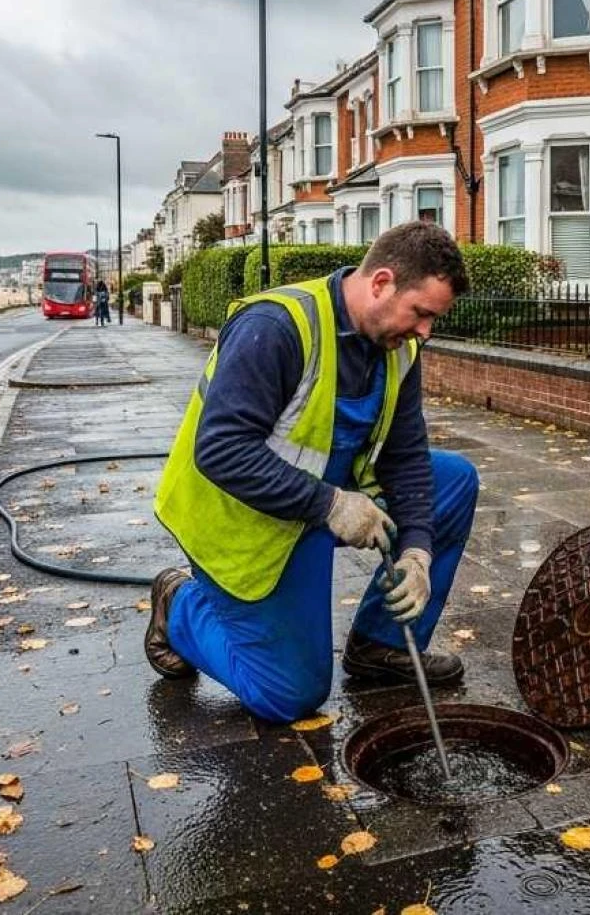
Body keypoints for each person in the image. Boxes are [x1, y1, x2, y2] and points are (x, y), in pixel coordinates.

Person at [145, 222, 477, 724]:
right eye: (422, 313)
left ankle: (382, 646)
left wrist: (417, 550)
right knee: (290, 695)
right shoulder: (277, 328)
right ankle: (180, 604)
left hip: (317, 498)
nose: (426, 331)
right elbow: (219, 450)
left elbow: (405, 456)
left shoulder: (399, 347)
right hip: (243, 517)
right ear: (382, 282)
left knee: (455, 479)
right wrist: (332, 505)